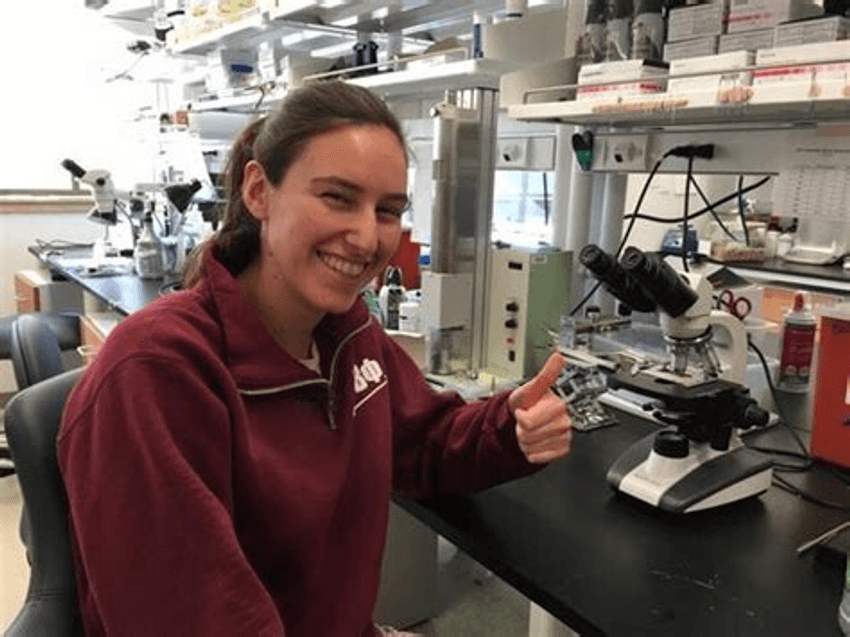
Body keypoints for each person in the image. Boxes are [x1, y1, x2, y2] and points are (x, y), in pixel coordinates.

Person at [58, 80, 573, 637]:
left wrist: (508, 428)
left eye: (387, 210)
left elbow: (422, 439)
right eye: (337, 198)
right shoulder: (158, 370)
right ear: (259, 191)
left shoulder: (348, 337)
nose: (367, 237)